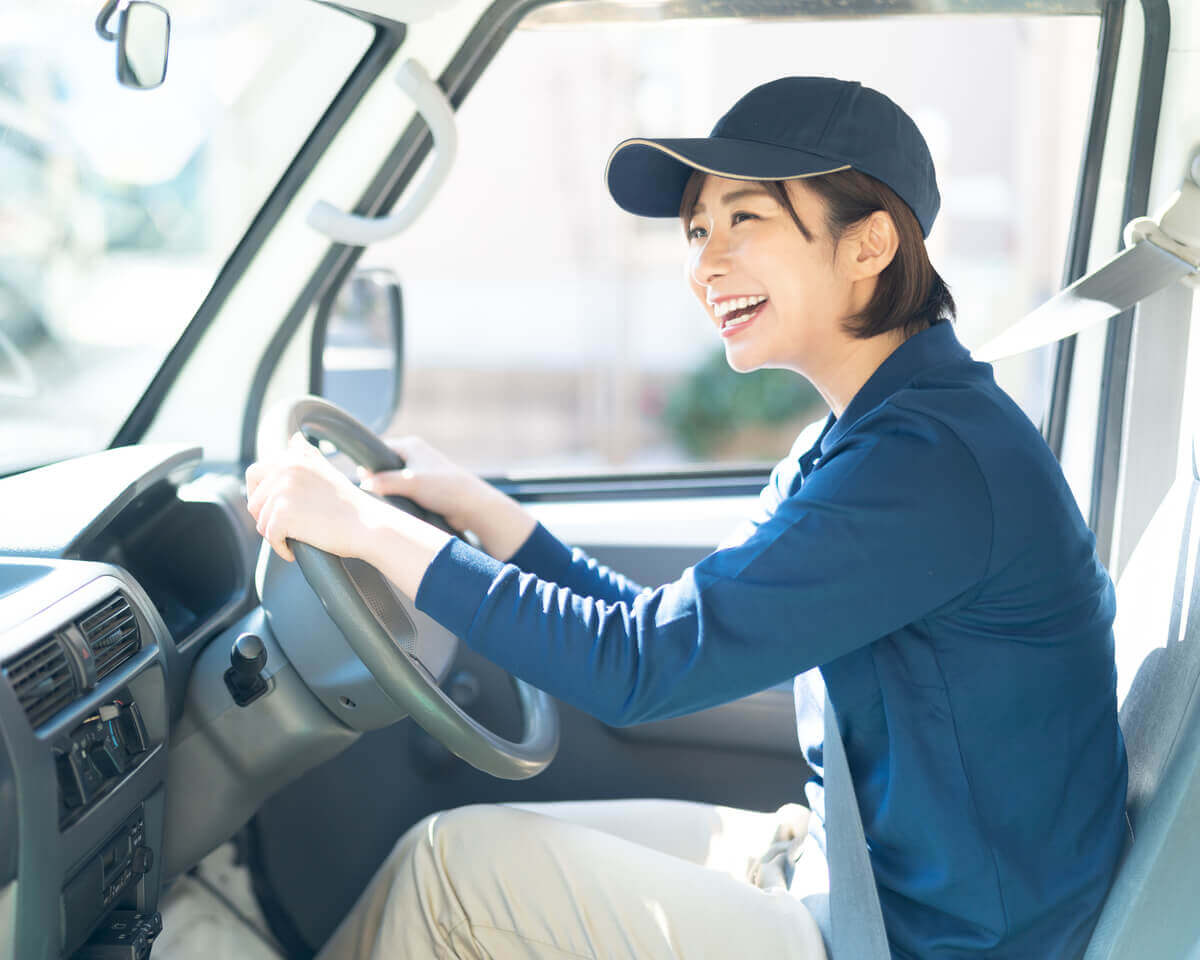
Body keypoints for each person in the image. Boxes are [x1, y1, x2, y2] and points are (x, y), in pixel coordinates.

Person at [243, 76, 1128, 959]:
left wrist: (369, 530)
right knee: (462, 856)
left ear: (870, 244)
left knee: (448, 874)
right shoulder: (867, 439)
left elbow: (639, 665)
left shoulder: (924, 468)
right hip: (860, 875)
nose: (705, 262)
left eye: (746, 220)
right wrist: (484, 512)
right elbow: (669, 628)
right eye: (698, 229)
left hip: (928, 939)